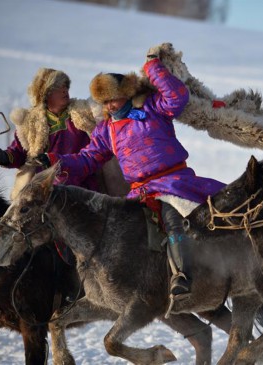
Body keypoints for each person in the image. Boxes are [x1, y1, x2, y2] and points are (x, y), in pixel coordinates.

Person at [35, 46, 225, 305]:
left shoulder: (153, 108)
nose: (110, 106)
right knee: (122, 232)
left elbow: (178, 97)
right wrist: (55, 160)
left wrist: (153, 67)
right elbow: (87, 158)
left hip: (172, 182)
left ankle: (182, 276)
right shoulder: (107, 130)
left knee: (171, 219)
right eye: (105, 102)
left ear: (126, 94)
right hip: (138, 192)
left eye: (114, 99)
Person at [0, 68, 99, 198]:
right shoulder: (31, 123)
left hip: (84, 185)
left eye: (65, 86)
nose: (65, 90)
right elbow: (19, 153)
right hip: (46, 190)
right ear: (45, 94)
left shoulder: (84, 112)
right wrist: (5, 157)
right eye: (58, 87)